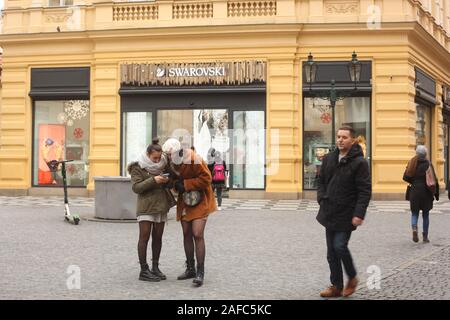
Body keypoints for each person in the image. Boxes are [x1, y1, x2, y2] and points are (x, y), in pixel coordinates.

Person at [316, 126, 371, 298]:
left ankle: (352, 278)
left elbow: (364, 190)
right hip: (329, 210)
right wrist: (321, 198)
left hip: (347, 213)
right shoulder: (329, 158)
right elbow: (321, 181)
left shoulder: (360, 163)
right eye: (338, 136)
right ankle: (336, 286)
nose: (340, 140)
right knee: (331, 252)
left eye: (344, 137)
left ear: (352, 140)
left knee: (339, 246)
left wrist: (359, 213)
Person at [162, 138, 217, 287]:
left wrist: (185, 184)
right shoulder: (170, 162)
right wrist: (173, 184)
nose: (169, 157)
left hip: (200, 199)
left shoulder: (194, 158)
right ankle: (190, 268)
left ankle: (200, 272)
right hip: (186, 200)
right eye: (167, 155)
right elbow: (173, 180)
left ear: (179, 151)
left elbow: (207, 178)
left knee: (197, 233)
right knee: (186, 232)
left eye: (170, 154)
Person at [128, 138, 176, 282]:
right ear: (148, 154)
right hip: (146, 207)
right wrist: (154, 180)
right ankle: (144, 270)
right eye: (154, 158)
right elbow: (136, 187)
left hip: (161, 206)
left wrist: (168, 181)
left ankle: (155, 267)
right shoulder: (138, 166)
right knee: (144, 237)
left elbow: (172, 181)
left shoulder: (164, 163)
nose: (157, 161)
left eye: (159, 158)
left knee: (158, 238)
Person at [403, 145, 439, 243]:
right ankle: (425, 237)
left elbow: (405, 177)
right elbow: (434, 179)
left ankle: (414, 228)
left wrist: (413, 181)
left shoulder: (412, 162)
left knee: (414, 213)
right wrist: (436, 194)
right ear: (425, 154)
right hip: (426, 192)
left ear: (417, 154)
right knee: (426, 214)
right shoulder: (428, 164)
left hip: (414, 191)